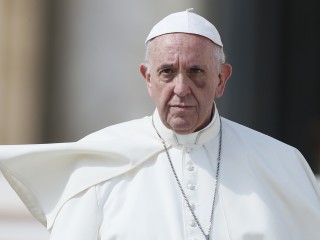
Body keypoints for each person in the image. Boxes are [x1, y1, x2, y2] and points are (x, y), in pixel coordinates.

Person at [0, 9, 320, 240]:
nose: (181, 88)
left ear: (221, 80)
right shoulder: (97, 170)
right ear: (148, 78)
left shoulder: (280, 165)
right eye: (167, 72)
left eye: (196, 71)